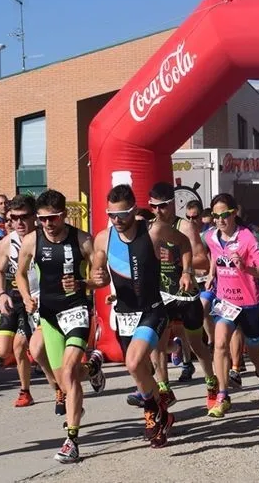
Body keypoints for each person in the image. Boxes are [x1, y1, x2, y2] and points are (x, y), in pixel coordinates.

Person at [91, 184, 186, 448]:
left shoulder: (154, 230)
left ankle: (152, 413)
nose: (117, 221)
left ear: (134, 210)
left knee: (134, 364)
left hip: (152, 310)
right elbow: (98, 277)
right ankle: (163, 415)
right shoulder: (103, 238)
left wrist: (187, 271)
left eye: (122, 214)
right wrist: (95, 280)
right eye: (111, 215)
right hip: (124, 314)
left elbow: (185, 244)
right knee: (141, 371)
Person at [16, 190, 106, 463]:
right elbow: (20, 273)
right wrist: (25, 296)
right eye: (42, 219)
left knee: (68, 371)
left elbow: (102, 280)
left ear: (63, 215)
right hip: (49, 315)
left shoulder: (82, 240)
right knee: (66, 381)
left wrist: (83, 284)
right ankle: (91, 368)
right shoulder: (32, 241)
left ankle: (72, 440)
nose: (47, 224)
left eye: (52, 218)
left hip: (76, 310)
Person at [143, 182, 215, 410]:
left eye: (163, 206)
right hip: (161, 295)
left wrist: (180, 264)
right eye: (154, 207)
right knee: (157, 344)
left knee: (196, 344)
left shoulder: (184, 227)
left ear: (173, 204)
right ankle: (164, 389)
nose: (158, 211)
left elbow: (203, 261)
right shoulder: (150, 228)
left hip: (185, 294)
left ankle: (212, 382)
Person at [203, 193, 259, 418]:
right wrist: (211, 273)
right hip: (226, 302)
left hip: (250, 303)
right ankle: (223, 396)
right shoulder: (210, 237)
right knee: (220, 343)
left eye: (224, 215)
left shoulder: (247, 238)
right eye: (215, 216)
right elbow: (213, 255)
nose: (220, 220)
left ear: (234, 213)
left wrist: (246, 267)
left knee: (255, 355)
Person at [0, 194, 59, 409]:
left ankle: (38, 389)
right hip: (16, 298)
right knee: (2, 350)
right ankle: (54, 385)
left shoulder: (47, 237)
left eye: (24, 217)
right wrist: (0, 294)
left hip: (42, 300)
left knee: (29, 348)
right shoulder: (5, 244)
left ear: (34, 217)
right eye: (13, 218)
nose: (18, 223)